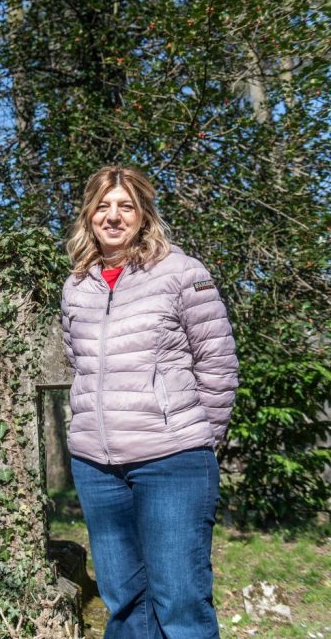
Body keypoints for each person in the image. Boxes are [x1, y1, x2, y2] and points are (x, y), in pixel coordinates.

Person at [61, 165, 238, 638]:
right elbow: (79, 365)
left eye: (126, 206)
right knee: (123, 603)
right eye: (103, 206)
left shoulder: (181, 273)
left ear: (144, 215)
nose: (113, 217)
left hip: (172, 461)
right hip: (97, 467)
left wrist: (197, 439)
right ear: (89, 215)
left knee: (180, 601)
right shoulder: (77, 285)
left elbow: (217, 364)